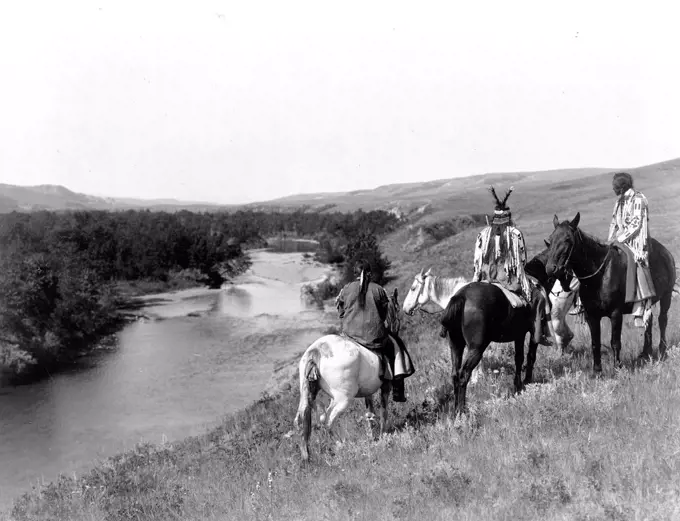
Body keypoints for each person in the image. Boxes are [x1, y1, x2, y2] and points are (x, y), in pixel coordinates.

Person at [471, 186, 553, 346]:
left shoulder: (482, 234)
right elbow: (521, 261)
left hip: (486, 276)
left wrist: (477, 277)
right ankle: (538, 334)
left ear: (494, 217)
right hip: (507, 278)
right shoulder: (515, 234)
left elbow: (477, 261)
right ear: (508, 217)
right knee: (539, 296)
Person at [335, 261, 415, 402]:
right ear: (369, 274)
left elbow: (340, 313)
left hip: (349, 335)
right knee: (396, 347)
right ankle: (398, 390)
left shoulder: (346, 289)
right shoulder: (379, 290)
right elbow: (384, 315)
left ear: (355, 274)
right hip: (373, 337)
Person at [607, 172, 655, 327]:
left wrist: (621, 238)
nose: (613, 189)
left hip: (637, 241)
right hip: (621, 239)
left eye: (614, 187)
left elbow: (636, 224)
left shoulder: (638, 199)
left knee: (636, 261)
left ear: (621, 187)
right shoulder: (619, 202)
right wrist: (610, 240)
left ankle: (641, 307)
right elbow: (614, 222)